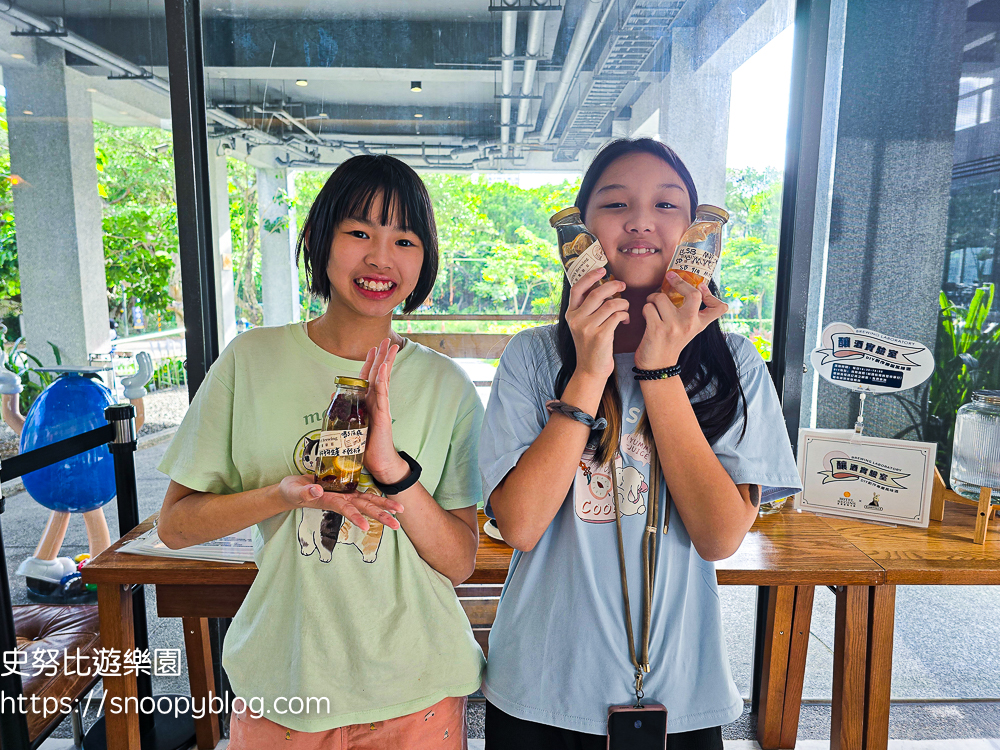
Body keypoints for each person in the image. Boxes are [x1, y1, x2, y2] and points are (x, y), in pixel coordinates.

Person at [479, 138, 802, 749]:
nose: (641, 220)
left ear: (696, 230)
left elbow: (719, 534)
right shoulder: (531, 357)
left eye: (666, 204)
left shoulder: (733, 364)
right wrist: (590, 370)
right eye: (615, 203)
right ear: (580, 228)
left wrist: (658, 371)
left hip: (682, 695)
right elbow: (519, 524)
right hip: (541, 690)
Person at [157, 154, 484, 749]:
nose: (381, 257)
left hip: (419, 687)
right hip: (288, 681)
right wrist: (282, 494)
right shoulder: (250, 361)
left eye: (404, 239)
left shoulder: (447, 386)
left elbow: (460, 561)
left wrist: (391, 472)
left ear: (423, 260)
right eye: (359, 231)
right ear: (319, 238)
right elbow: (176, 527)